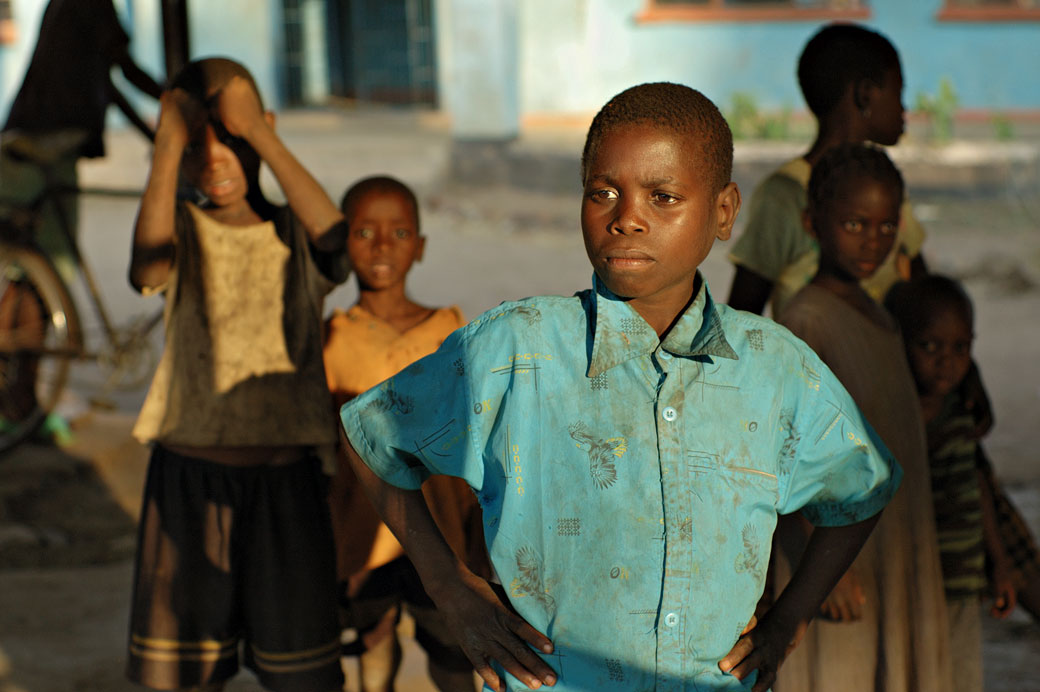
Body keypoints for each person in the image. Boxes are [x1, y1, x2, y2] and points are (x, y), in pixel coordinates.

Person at [338, 82, 903, 692]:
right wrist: (448, 585)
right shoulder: (518, 347)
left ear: (723, 213)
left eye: (663, 197)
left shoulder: (773, 366)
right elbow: (373, 436)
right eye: (603, 193)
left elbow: (861, 487)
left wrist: (788, 619)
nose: (627, 217)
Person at [125, 57, 348, 692]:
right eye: (199, 147)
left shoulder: (294, 234)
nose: (217, 159)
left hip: (286, 486)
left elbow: (336, 239)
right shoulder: (181, 236)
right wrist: (168, 143)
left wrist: (262, 135)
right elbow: (145, 269)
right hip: (188, 484)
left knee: (303, 674)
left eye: (234, 138)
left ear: (263, 128)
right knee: (182, 673)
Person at [775, 143, 953, 692]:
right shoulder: (805, 318)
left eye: (885, 226)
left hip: (892, 550)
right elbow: (781, 451)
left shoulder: (881, 314)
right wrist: (817, 564)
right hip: (836, 564)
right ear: (812, 223)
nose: (872, 240)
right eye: (855, 223)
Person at [323, 175, 486, 692]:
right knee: (372, 645)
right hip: (358, 533)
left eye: (398, 233)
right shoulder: (333, 338)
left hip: (444, 531)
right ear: (343, 243)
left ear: (419, 247)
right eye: (364, 232)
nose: (382, 246)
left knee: (454, 655)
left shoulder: (450, 333)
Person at [886, 275, 1040, 689]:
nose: (946, 362)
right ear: (897, 344)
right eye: (930, 347)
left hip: (962, 583)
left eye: (961, 348)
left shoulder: (958, 414)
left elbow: (978, 493)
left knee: (962, 676)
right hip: (912, 589)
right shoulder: (891, 422)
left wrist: (1000, 563)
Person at [727, 22, 925, 318]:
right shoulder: (784, 195)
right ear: (866, 95)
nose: (903, 109)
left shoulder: (882, 184)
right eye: (898, 92)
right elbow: (742, 314)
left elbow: (922, 290)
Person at [1, 0, 163, 281]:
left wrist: (154, 136)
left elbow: (106, 85)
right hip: (49, 146)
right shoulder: (91, 5)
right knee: (49, 269)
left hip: (30, 140)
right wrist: (181, 101)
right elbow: (126, 70)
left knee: (32, 270)